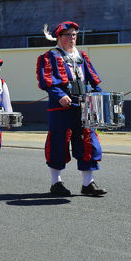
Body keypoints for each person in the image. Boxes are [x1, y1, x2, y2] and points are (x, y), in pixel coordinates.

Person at [36, 21, 106, 197]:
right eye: (68, 35)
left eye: (74, 35)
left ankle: (88, 184)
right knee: (58, 143)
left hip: (83, 106)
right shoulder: (49, 56)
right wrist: (60, 95)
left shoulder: (81, 56)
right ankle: (56, 183)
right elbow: (47, 81)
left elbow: (93, 79)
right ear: (58, 37)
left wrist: (98, 95)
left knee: (88, 142)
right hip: (61, 108)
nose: (72, 38)